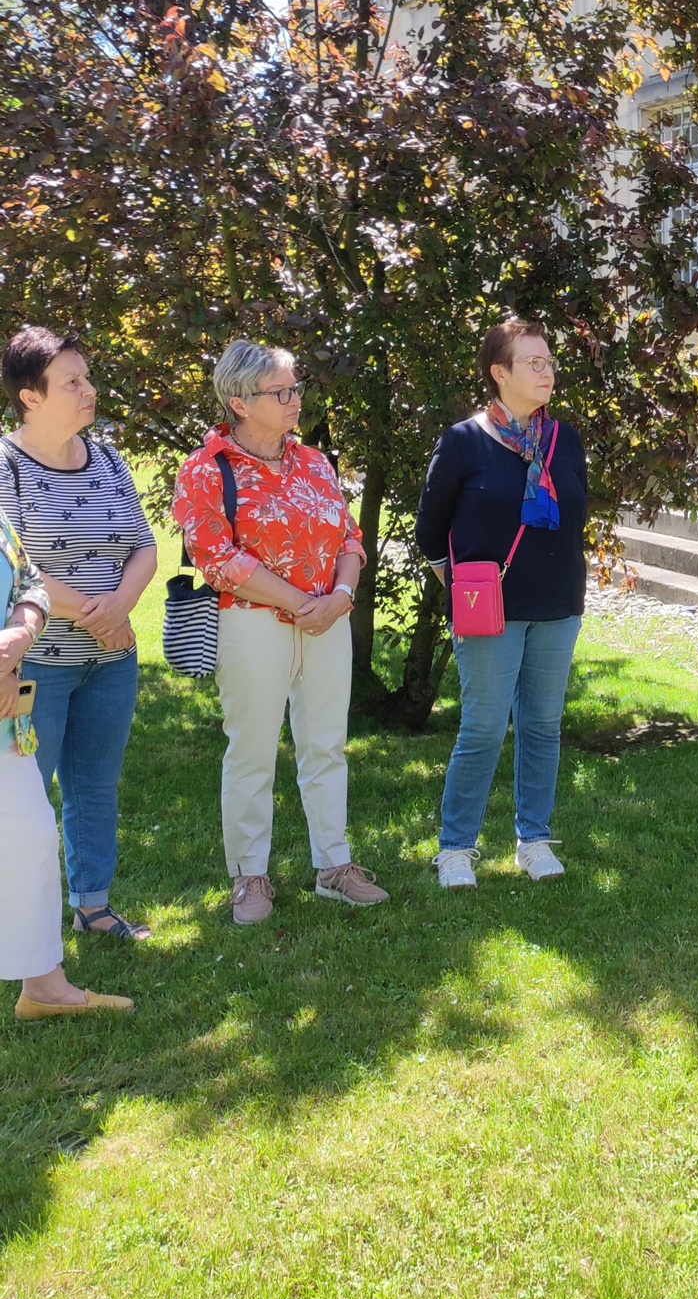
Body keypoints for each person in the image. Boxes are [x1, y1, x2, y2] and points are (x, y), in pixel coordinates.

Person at [172, 340, 389, 926]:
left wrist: (340, 597)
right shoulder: (205, 468)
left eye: (296, 388)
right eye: (282, 391)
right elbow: (217, 558)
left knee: (325, 744)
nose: (296, 399)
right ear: (240, 402)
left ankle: (335, 867)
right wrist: (301, 603)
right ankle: (250, 876)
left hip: (326, 618)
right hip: (252, 624)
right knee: (252, 751)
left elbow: (349, 538)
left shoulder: (315, 462)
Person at [416, 317, 589, 890]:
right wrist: (466, 589)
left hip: (557, 603)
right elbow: (429, 531)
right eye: (534, 363)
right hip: (488, 611)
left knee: (542, 727)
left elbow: (574, 524)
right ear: (500, 373)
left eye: (550, 362)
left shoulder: (565, 440)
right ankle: (456, 848)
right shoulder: (463, 441)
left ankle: (533, 840)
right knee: (484, 727)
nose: (547, 372)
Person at [1, 327, 158, 941]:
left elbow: (144, 546)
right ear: (30, 397)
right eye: (73, 381)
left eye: (87, 377)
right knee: (24, 794)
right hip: (35, 663)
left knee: (95, 786)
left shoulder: (108, 458)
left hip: (111, 661)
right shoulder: (7, 465)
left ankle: (92, 907)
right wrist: (102, 617)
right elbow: (18, 568)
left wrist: (120, 608)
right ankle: (21, 919)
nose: (89, 390)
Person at [2, 505, 133, 1018]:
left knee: (32, 832)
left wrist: (17, 641)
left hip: (7, 711)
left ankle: (43, 986)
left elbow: (29, 581)